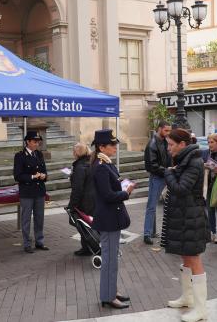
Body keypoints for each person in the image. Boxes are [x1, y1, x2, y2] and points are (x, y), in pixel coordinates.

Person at [164, 128, 209, 322]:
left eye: (171, 145)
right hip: (184, 216)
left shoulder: (193, 162)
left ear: (182, 144)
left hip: (192, 217)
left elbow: (181, 189)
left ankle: (201, 309)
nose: (168, 148)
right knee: (185, 257)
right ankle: (187, 298)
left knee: (194, 259)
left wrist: (169, 173)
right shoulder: (184, 160)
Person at [91, 129, 135, 309]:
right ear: (102, 147)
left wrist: (122, 186)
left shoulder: (105, 163)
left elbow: (111, 186)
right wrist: (125, 192)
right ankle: (108, 297)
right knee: (109, 259)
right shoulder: (101, 166)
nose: (116, 147)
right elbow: (108, 195)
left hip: (112, 217)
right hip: (108, 218)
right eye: (112, 145)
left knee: (113, 258)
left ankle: (112, 290)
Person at [13, 131, 49, 254]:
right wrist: (33, 177)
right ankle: (27, 243)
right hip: (27, 192)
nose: (37, 144)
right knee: (26, 219)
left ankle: (39, 241)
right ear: (27, 142)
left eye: (38, 141)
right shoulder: (20, 156)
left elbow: (44, 170)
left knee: (40, 218)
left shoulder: (39, 154)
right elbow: (17, 176)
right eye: (35, 141)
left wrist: (44, 176)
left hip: (39, 191)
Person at [143, 120, 172, 245]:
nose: (168, 133)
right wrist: (167, 170)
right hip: (158, 177)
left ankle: (152, 232)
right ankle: (147, 234)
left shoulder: (165, 141)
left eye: (169, 130)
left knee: (154, 205)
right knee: (151, 206)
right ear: (159, 129)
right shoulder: (152, 144)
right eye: (166, 130)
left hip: (166, 175)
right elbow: (151, 166)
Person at [68, 143, 95, 256]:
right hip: (93, 199)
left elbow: (77, 189)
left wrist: (72, 205)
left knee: (82, 224)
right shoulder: (91, 163)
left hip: (84, 201)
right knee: (88, 224)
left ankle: (89, 247)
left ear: (76, 153)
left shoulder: (79, 167)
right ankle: (88, 246)